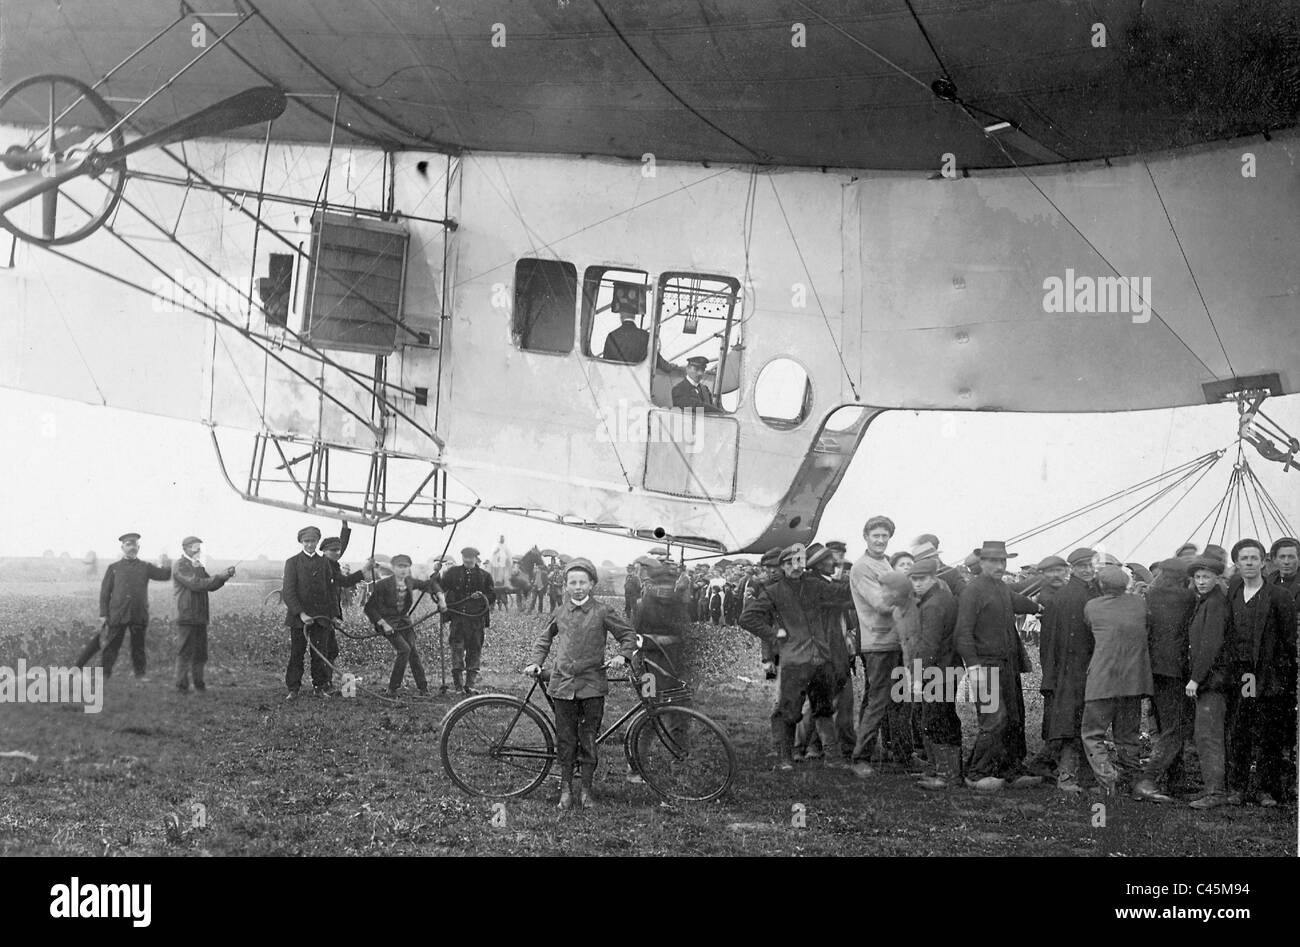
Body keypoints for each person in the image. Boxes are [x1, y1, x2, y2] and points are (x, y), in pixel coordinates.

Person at [525, 558, 637, 809]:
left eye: (582, 582)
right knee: (565, 739)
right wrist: (535, 662)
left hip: (592, 685)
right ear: (565, 586)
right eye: (572, 583)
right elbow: (544, 640)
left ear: (592, 584)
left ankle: (586, 790)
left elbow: (628, 634)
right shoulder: (560, 611)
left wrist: (622, 655)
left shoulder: (602, 611)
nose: (577, 587)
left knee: (588, 739)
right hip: (563, 684)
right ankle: (566, 789)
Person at [740, 543, 855, 771]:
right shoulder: (773, 591)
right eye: (790, 562)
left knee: (823, 708)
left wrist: (859, 579)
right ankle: (785, 759)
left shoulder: (814, 585)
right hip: (794, 661)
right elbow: (747, 618)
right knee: (789, 711)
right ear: (783, 566)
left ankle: (833, 758)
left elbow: (842, 594)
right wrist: (774, 635)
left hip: (820, 659)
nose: (796, 566)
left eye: (800, 561)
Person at [954, 540, 1042, 791]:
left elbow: (1017, 601)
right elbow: (962, 634)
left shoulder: (1000, 587)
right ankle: (976, 773)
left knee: (1014, 718)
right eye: (993, 561)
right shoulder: (973, 591)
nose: (999, 566)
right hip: (985, 666)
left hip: (1007, 664)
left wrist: (1038, 607)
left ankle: (1010, 771)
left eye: (1002, 561)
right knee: (994, 719)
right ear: (981, 562)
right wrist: (974, 668)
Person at [1224, 538, 1297, 806]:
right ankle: (1238, 788)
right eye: (1244, 559)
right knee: (1241, 729)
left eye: (1254, 558)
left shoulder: (1278, 595)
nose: (1249, 563)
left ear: (1263, 562)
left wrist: (1284, 678)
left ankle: (1266, 789)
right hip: (1244, 677)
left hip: (1270, 676)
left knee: (1269, 733)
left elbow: (1289, 641)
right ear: (1236, 563)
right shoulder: (1234, 591)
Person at [1080, 565, 1153, 796]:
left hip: (1102, 680)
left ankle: (1107, 778)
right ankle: (1132, 779)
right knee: (1128, 736)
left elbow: (1089, 626)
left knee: (1092, 734)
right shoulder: (1139, 603)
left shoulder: (1092, 606)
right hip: (1133, 682)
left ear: (1101, 585)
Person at [1033, 550, 1097, 792]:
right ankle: (1067, 777)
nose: (1087, 570)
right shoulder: (1066, 597)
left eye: (1090, 565)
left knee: (1081, 722)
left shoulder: (1090, 592)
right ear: (1074, 568)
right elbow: (1051, 642)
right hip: (1070, 671)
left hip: (1084, 667)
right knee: (1071, 724)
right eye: (1082, 566)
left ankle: (1083, 776)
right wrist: (1052, 674)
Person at [1133, 558, 1196, 803]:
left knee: (1165, 723)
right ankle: (1148, 780)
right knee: (1176, 727)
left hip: (1154, 668)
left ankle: (1176, 780)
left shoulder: (1151, 594)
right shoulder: (1187, 597)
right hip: (1176, 669)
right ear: (1184, 577)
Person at [849, 515, 905, 778]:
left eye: (885, 536)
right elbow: (881, 604)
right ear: (866, 537)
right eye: (876, 536)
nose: (881, 540)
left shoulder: (885, 562)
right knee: (879, 700)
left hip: (893, 641)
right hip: (878, 643)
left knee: (884, 698)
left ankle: (891, 752)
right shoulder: (862, 567)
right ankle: (861, 758)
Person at [74, 532, 172, 681]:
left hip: (138, 614)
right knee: (111, 646)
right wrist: (103, 613)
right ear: (123, 547)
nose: (132, 547)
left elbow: (164, 575)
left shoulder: (145, 567)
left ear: (138, 547)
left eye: (135, 545)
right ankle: (105, 674)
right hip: (118, 614)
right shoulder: (113, 568)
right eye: (128, 544)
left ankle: (140, 675)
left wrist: (165, 559)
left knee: (138, 647)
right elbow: (105, 592)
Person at [794, 544, 857, 763]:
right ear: (818, 564)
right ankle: (824, 753)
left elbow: (843, 599)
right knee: (820, 704)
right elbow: (843, 595)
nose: (835, 563)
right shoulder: (813, 583)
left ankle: (808, 748)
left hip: (826, 651)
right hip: (821, 653)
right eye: (831, 560)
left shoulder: (819, 582)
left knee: (820, 703)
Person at [1185, 556, 1235, 809]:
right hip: (1212, 681)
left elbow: (1210, 645)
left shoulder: (1214, 604)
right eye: (1198, 577)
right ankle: (1218, 788)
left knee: (1208, 736)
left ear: (1217, 578)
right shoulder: (1206, 601)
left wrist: (1195, 678)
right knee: (1211, 735)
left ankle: (1216, 792)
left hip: (1212, 683)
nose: (1201, 581)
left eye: (1206, 577)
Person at [910, 557, 962, 789]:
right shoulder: (943, 598)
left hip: (937, 671)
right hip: (948, 667)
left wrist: (918, 676)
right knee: (944, 717)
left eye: (922, 579)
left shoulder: (932, 605)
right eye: (914, 579)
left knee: (936, 720)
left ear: (933, 578)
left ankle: (945, 775)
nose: (917, 584)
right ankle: (945, 770)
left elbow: (928, 645)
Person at [364, 554, 447, 698]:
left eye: (406, 567)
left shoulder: (409, 581)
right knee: (404, 650)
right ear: (393, 568)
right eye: (400, 566)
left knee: (412, 651)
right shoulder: (383, 585)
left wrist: (441, 598)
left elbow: (430, 584)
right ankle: (392, 688)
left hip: (404, 622)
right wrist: (383, 624)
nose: (403, 570)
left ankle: (423, 687)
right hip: (387, 623)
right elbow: (369, 608)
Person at [171, 536, 235, 694]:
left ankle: (199, 685)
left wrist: (225, 576)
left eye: (199, 547)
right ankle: (181, 687)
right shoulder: (180, 565)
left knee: (200, 654)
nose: (198, 550)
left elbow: (210, 584)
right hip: (186, 617)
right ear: (185, 548)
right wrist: (220, 576)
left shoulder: (197, 564)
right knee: (185, 652)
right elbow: (196, 584)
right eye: (195, 547)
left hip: (200, 617)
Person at [282, 526, 337, 700]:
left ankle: (319, 687)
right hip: (299, 619)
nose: (310, 544)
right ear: (301, 542)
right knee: (297, 654)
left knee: (320, 653)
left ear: (317, 541)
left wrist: (333, 615)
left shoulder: (324, 563)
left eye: (313, 541)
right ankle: (293, 689)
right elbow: (288, 592)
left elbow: (331, 591)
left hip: (321, 618)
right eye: (306, 541)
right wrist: (301, 614)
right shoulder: (292, 562)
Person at [440, 547, 496, 694]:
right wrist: (435, 574)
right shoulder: (453, 573)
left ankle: (470, 685)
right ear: (462, 558)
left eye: (471, 557)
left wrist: (482, 596)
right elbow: (440, 586)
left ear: (476, 559)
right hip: (458, 619)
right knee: (457, 650)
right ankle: (458, 686)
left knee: (474, 650)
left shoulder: (485, 576)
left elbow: (492, 595)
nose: (468, 560)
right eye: (465, 557)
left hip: (476, 621)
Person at [320, 531, 367, 691]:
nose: (337, 553)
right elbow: (344, 583)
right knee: (326, 650)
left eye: (338, 550)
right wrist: (332, 616)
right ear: (324, 550)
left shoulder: (331, 563)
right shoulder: (325, 566)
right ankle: (322, 683)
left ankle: (326, 682)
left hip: (328, 616)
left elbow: (341, 546)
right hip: (323, 615)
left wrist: (345, 527)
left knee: (331, 650)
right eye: (333, 550)